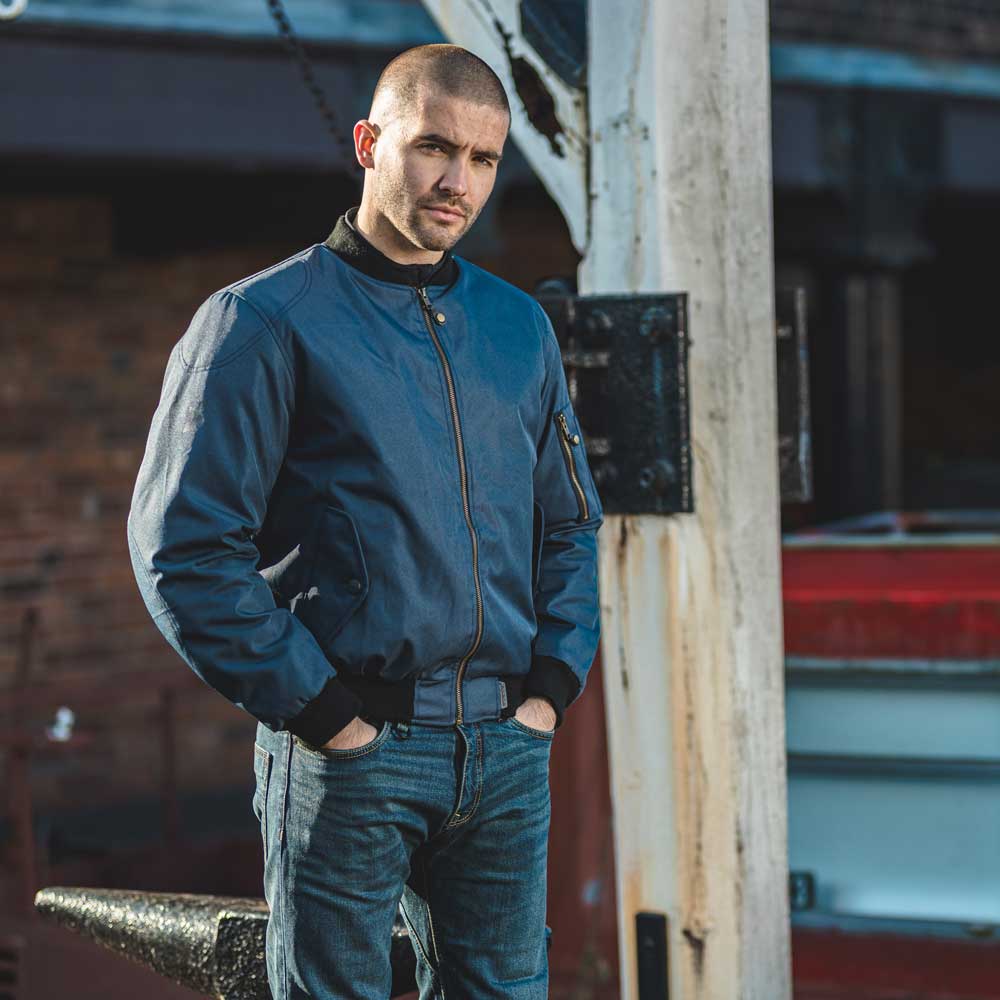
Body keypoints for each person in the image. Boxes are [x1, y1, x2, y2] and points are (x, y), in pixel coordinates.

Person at [126, 42, 603, 1000]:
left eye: (482, 159)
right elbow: (183, 550)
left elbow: (569, 523)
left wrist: (549, 685)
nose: (456, 181)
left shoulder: (519, 328)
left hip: (507, 749)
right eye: (433, 147)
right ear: (369, 142)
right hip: (351, 757)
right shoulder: (263, 322)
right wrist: (327, 715)